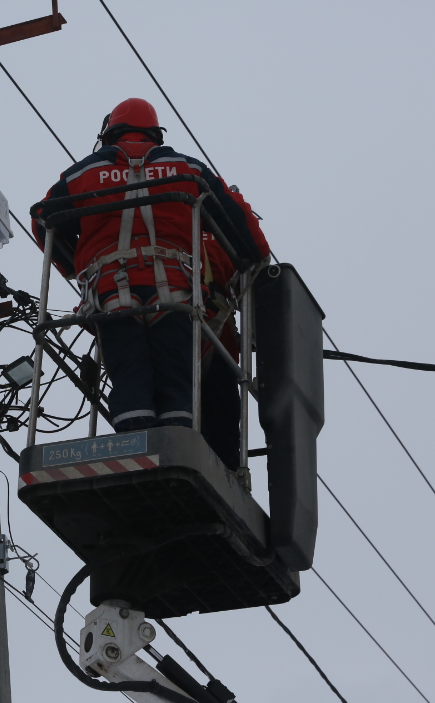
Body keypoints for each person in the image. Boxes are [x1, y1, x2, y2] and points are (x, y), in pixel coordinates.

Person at [32, 98, 268, 462]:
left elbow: (43, 220)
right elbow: (246, 233)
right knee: (176, 383)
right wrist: (250, 259)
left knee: (130, 377)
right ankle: (177, 452)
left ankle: (134, 455)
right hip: (175, 294)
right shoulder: (188, 169)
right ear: (156, 135)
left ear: (109, 135)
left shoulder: (82, 174)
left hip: (111, 296)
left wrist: (78, 271)